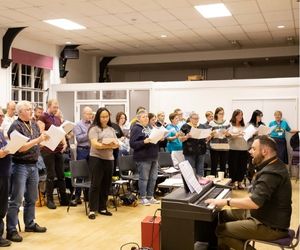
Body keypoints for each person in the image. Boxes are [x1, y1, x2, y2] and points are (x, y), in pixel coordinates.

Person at [205, 135, 292, 250]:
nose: (250, 151)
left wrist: (225, 201)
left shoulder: (271, 173)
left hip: (270, 225)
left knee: (221, 230)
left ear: (264, 151)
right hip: (262, 214)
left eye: (253, 149)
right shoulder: (274, 164)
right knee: (221, 215)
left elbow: (254, 202)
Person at [6, 101, 49, 242]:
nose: (31, 111)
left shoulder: (34, 124)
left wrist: (46, 141)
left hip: (33, 165)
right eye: (28, 109)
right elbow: (21, 148)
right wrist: (38, 140)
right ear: (20, 112)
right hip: (20, 166)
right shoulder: (15, 126)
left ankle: (30, 224)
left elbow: (37, 144)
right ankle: (11, 230)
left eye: (31, 109)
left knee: (32, 198)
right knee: (16, 199)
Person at [38, 99, 75, 209]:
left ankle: (63, 199)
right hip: (48, 149)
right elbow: (40, 132)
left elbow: (61, 133)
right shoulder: (42, 117)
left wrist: (64, 143)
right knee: (50, 175)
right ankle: (50, 200)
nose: (56, 109)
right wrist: (50, 133)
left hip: (58, 149)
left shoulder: (58, 118)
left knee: (61, 175)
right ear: (49, 106)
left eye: (57, 107)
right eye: (54, 107)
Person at [88, 107, 119, 220]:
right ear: (98, 117)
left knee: (106, 184)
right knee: (96, 184)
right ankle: (92, 209)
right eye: (102, 117)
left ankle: (102, 207)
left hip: (109, 159)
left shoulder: (111, 129)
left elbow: (116, 144)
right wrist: (107, 145)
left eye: (106, 117)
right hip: (97, 159)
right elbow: (95, 144)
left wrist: (111, 145)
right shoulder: (94, 129)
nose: (105, 119)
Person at [130, 110, 160, 206]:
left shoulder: (150, 128)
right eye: (143, 117)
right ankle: (143, 197)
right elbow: (132, 144)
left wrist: (160, 138)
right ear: (138, 119)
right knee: (144, 178)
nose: (146, 118)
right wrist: (144, 142)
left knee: (153, 178)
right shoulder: (136, 128)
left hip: (153, 156)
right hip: (143, 157)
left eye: (147, 116)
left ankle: (150, 196)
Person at [73, 106, 93, 204]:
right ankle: (77, 197)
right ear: (83, 114)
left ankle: (88, 196)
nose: (90, 116)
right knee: (80, 174)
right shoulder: (78, 124)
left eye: (91, 114)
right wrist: (89, 133)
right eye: (88, 114)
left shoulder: (93, 124)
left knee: (89, 174)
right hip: (82, 150)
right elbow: (79, 139)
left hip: (92, 150)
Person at [180, 112, 207, 176]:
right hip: (189, 151)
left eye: (197, 118)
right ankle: (192, 185)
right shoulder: (185, 126)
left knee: (200, 169)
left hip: (201, 150)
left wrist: (208, 137)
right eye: (194, 118)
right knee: (190, 169)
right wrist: (187, 136)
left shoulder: (202, 126)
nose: (196, 120)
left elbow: (205, 139)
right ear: (190, 119)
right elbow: (180, 139)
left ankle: (200, 184)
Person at [228, 109, 248, 189]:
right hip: (233, 149)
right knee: (233, 166)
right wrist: (238, 134)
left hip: (244, 148)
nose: (240, 116)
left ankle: (240, 182)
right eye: (238, 115)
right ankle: (233, 182)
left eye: (241, 115)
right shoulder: (230, 125)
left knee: (242, 167)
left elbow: (247, 135)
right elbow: (229, 136)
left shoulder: (244, 126)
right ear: (234, 116)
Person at [0, 108, 11, 247]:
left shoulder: (1, 132)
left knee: (2, 207)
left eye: (2, 116)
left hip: (4, 172)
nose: (1, 118)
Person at [209, 107, 230, 176]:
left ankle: (222, 183)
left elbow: (229, 134)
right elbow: (208, 134)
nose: (222, 115)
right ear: (216, 114)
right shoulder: (212, 123)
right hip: (214, 146)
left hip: (224, 146)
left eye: (223, 113)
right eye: (220, 114)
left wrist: (226, 133)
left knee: (223, 166)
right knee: (214, 165)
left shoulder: (227, 122)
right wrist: (213, 133)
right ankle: (212, 182)